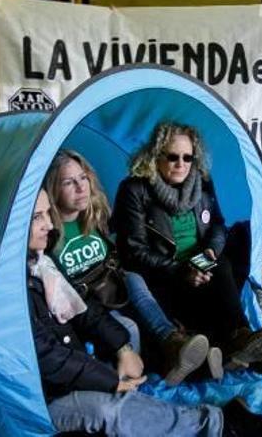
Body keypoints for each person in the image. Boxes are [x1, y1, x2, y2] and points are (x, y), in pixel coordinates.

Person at [27, 189, 262, 436]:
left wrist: (123, 349)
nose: (49, 223)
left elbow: (84, 309)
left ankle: (235, 342)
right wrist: (108, 381)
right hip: (44, 395)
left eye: (48, 213)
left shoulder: (43, 263)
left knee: (214, 271)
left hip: (79, 350)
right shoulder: (13, 284)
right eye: (37, 216)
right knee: (109, 411)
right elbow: (48, 356)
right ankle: (219, 423)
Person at [113, 123, 262, 373]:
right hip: (164, 275)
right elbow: (134, 252)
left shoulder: (202, 181)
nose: (181, 164)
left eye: (187, 157)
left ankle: (241, 337)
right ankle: (243, 348)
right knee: (218, 278)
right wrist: (182, 270)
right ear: (155, 156)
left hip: (201, 266)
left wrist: (210, 251)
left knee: (232, 247)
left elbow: (217, 226)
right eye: (172, 157)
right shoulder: (134, 190)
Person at [44, 149, 216, 386]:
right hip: (85, 300)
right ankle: (140, 381)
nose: (81, 187)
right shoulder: (47, 231)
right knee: (129, 327)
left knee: (136, 280)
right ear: (53, 189)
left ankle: (172, 344)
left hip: (110, 283)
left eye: (83, 178)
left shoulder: (95, 213)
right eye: (68, 182)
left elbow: (122, 251)